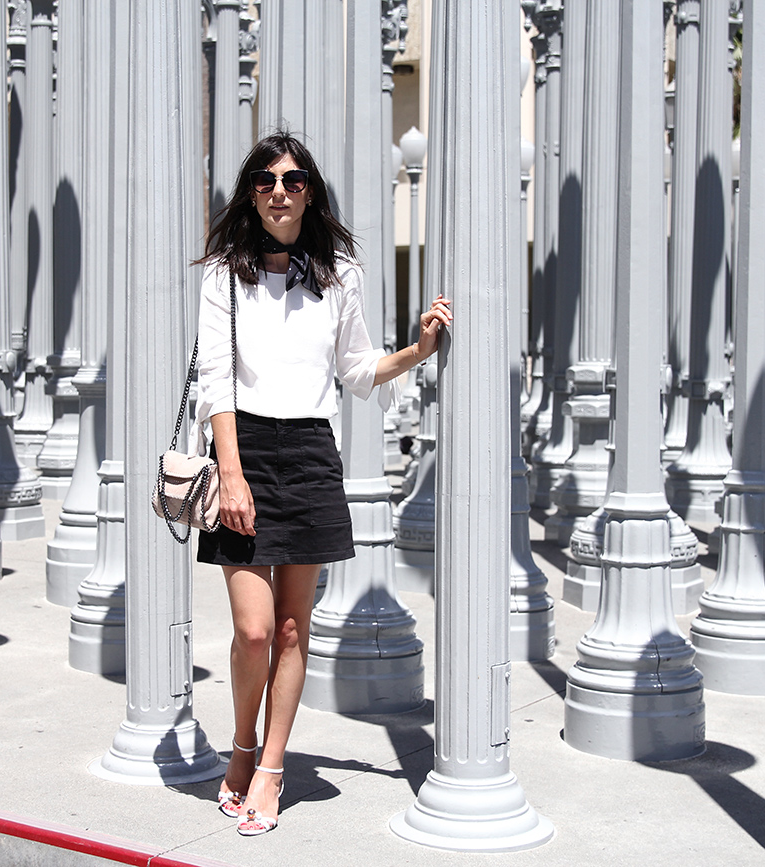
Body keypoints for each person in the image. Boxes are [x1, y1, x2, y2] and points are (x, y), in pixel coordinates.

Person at [192, 130, 451, 837]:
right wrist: (234, 475)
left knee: (289, 627)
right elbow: (216, 379)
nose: (280, 191)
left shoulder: (339, 273)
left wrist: (416, 351)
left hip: (308, 451)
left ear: (311, 191)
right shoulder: (223, 274)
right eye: (267, 180)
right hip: (241, 449)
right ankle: (243, 742)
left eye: (294, 179)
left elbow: (357, 368)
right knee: (251, 632)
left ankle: (269, 768)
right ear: (251, 192)